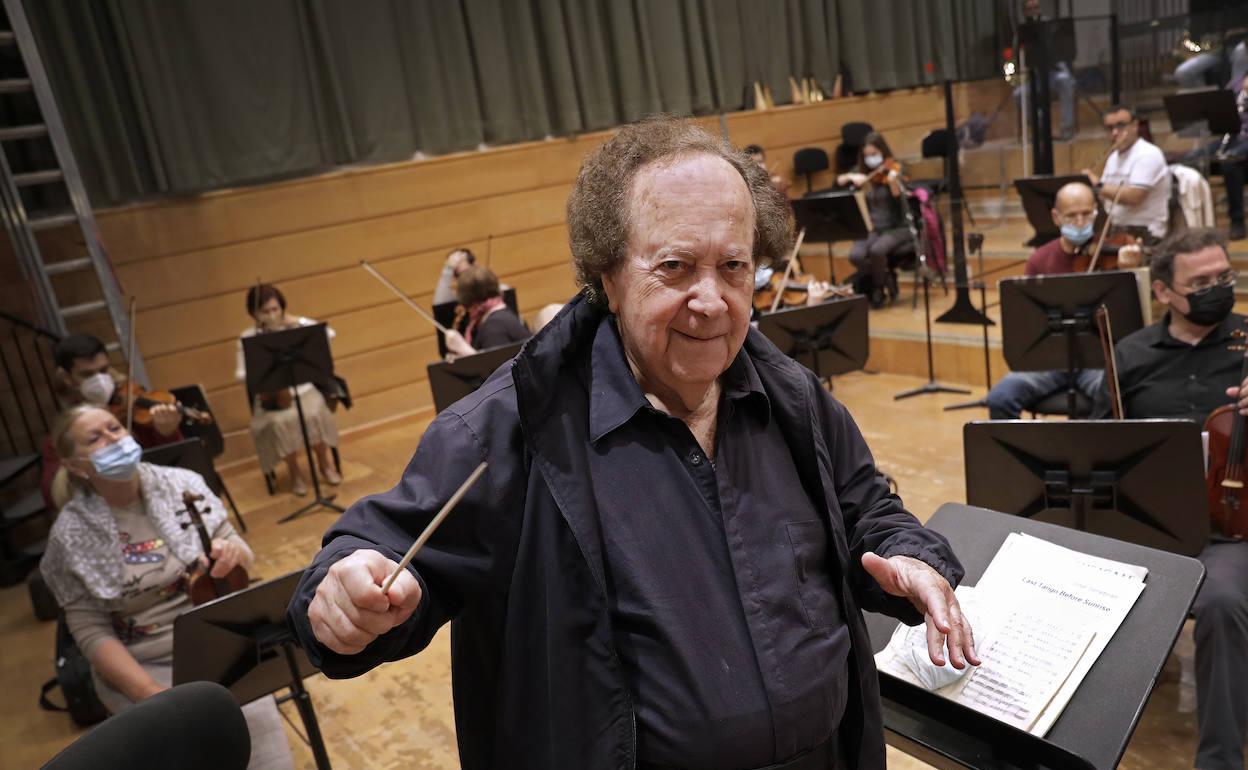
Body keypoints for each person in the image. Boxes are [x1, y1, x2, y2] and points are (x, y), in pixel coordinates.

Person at [287, 116, 977, 770]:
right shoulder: (510, 427)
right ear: (610, 276)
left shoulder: (793, 396)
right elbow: (380, 554)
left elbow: (864, 506)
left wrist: (908, 554)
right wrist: (342, 589)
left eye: (734, 268)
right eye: (675, 268)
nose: (712, 301)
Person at [38, 404, 293, 770]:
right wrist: (148, 693)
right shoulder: (70, 533)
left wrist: (232, 554)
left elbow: (240, 548)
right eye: (95, 438)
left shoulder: (181, 483)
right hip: (142, 661)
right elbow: (90, 630)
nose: (113, 438)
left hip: (217, 637)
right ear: (77, 466)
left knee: (265, 752)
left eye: (114, 428)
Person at [1092, 229, 1247, 770]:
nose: (1217, 289)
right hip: (1145, 521)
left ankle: (1221, 761)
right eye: (1200, 282)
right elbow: (1093, 446)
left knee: (1224, 603)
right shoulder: (1129, 354)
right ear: (1162, 292)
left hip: (1229, 523)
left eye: (1223, 277)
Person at [985, 181, 1121, 419]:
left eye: (1087, 214)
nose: (1080, 222)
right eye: (1071, 216)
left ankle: (1091, 452)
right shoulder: (1040, 260)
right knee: (1001, 397)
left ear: (1096, 212)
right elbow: (1027, 320)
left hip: (1098, 360)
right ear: (1056, 217)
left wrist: (1133, 268)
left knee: (1115, 398)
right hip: (1052, 360)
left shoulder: (1114, 252)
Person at [40, 333, 183, 511]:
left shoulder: (133, 408)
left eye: (103, 371)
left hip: (162, 500)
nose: (99, 380)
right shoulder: (66, 432)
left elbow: (179, 463)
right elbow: (53, 493)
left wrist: (167, 434)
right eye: (87, 374)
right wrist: (84, 468)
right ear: (67, 378)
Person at [235, 284, 340, 496]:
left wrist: (297, 321)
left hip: (304, 389)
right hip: (273, 395)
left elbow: (329, 334)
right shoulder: (248, 337)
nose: (273, 315)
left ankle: (324, 463)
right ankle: (294, 472)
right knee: (281, 422)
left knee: (314, 413)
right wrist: (256, 372)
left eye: (276, 309)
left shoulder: (295, 326)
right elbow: (240, 374)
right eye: (266, 311)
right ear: (255, 313)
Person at [1081, 105, 1172, 244]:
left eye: (1121, 126)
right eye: (1110, 128)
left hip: (1146, 234)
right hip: (1117, 232)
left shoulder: (1148, 154)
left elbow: (1134, 197)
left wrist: (1097, 184)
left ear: (1135, 126)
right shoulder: (1113, 158)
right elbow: (1105, 196)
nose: (1115, 133)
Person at [840, 132, 911, 308]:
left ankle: (878, 288)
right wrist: (851, 177)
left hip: (898, 227)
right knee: (855, 255)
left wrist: (894, 181)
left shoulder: (895, 168)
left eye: (874, 154)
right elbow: (839, 180)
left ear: (882, 151)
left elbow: (898, 196)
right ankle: (886, 277)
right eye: (867, 155)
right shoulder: (864, 172)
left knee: (877, 250)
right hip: (873, 227)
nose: (870, 158)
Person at [1178, 73, 1248, 241]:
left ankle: (1237, 220)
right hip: (1230, 137)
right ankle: (1196, 221)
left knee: (1230, 163)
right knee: (1190, 159)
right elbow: (1219, 106)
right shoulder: (1236, 83)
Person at [1014, 0, 1077, 141]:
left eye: (1036, 7)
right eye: (1029, 9)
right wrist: (1013, 79)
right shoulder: (1021, 31)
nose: (1033, 11)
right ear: (1024, 12)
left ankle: (1066, 129)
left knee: (1066, 82)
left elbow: (1063, 51)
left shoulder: (1051, 25)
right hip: (1034, 75)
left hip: (1053, 71)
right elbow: (1014, 59)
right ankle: (1038, 128)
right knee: (1018, 94)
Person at [442, 265, 531, 358]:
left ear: (473, 304)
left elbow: (499, 369)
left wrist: (464, 350)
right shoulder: (504, 313)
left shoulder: (493, 327)